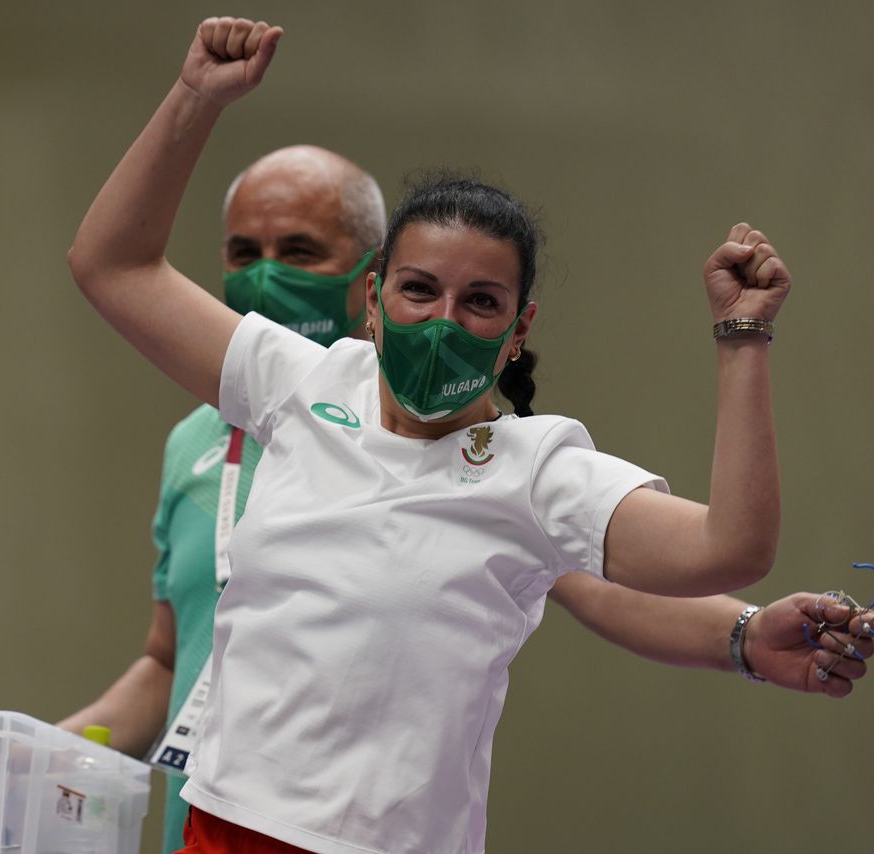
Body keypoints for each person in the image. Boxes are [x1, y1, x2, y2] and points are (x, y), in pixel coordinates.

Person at [64, 18, 870, 853]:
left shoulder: (537, 469)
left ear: (517, 330)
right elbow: (111, 263)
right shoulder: (299, 380)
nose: (443, 321)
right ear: (372, 297)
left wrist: (743, 342)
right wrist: (195, 96)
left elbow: (730, 548)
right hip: (220, 830)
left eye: (480, 302)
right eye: (418, 290)